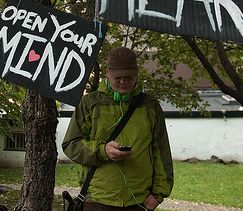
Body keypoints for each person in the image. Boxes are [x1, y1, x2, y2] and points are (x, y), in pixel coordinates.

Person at [62, 47, 174, 211]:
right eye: (118, 77)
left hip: (139, 201)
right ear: (107, 73)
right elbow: (71, 145)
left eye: (128, 77)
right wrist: (102, 151)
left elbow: (161, 152)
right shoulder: (89, 103)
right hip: (97, 201)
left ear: (136, 75)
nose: (124, 81)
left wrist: (158, 194)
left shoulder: (150, 106)